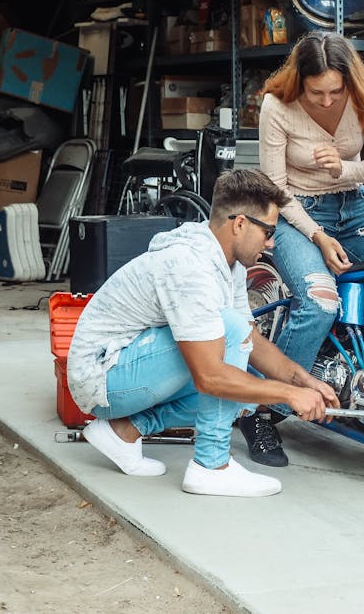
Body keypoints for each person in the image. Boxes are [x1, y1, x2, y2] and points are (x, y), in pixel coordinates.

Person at [66, 169, 340, 497]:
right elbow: (210, 376)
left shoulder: (230, 264)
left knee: (243, 395)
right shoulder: (189, 266)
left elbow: (250, 341)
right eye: (268, 232)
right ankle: (211, 466)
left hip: (125, 368)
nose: (271, 244)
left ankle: (123, 431)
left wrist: (302, 380)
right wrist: (287, 394)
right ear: (239, 224)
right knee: (229, 349)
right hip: (100, 377)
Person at [236, 31, 364, 468]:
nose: (327, 101)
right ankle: (260, 412)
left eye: (335, 91)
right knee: (319, 302)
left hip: (356, 209)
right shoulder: (276, 106)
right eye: (316, 92)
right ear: (299, 82)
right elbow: (275, 189)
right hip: (296, 215)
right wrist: (318, 237)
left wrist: (345, 167)